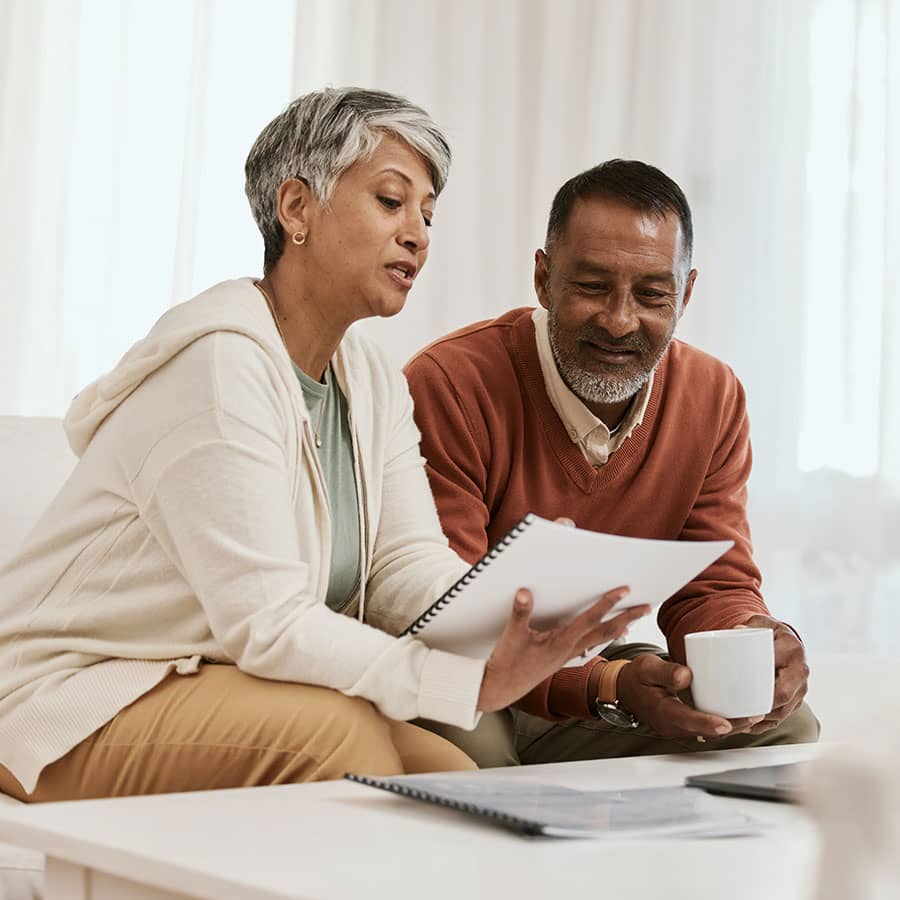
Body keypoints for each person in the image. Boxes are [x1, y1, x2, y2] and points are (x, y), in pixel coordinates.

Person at [0, 91, 648, 803]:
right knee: (345, 742)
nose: (418, 234)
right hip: (66, 697)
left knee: (459, 782)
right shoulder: (220, 367)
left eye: (427, 214)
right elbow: (268, 624)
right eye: (391, 201)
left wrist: (523, 603)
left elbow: (405, 567)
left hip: (201, 675)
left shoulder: (367, 378)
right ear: (296, 208)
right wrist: (462, 680)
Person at [404, 159, 818, 768]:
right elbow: (451, 621)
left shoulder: (712, 395)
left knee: (782, 725)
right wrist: (603, 687)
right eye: (593, 287)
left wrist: (751, 638)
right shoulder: (451, 383)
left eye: (653, 295)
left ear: (687, 293)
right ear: (543, 280)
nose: (621, 321)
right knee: (478, 756)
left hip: (590, 675)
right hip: (465, 673)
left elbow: (713, 583)